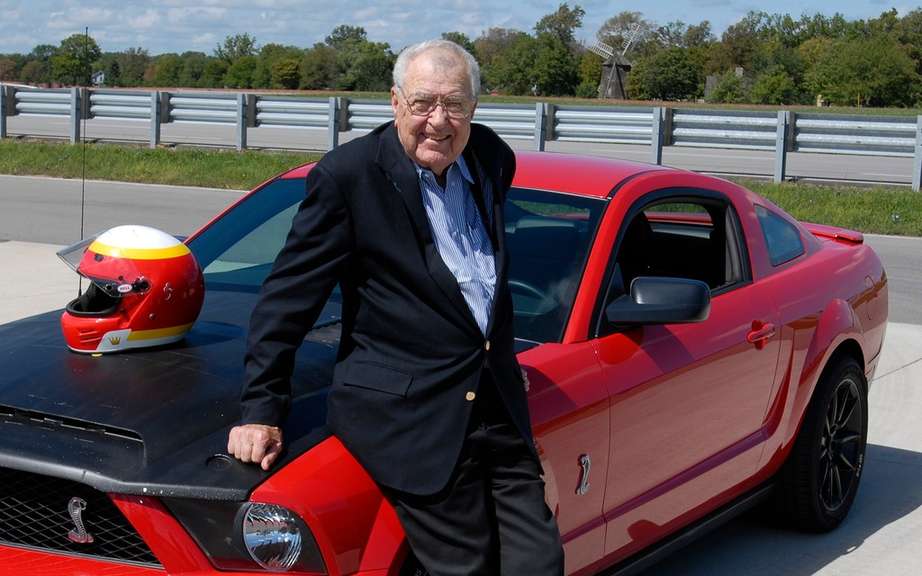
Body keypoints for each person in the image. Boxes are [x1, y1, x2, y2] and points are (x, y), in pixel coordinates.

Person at [227, 39, 564, 575]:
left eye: (454, 104)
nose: (438, 120)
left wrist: (498, 356)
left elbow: (482, 284)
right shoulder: (349, 177)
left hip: (496, 409)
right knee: (466, 567)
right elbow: (288, 299)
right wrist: (261, 410)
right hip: (410, 418)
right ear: (394, 101)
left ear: (473, 109)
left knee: (539, 562)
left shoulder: (491, 159)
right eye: (423, 102)